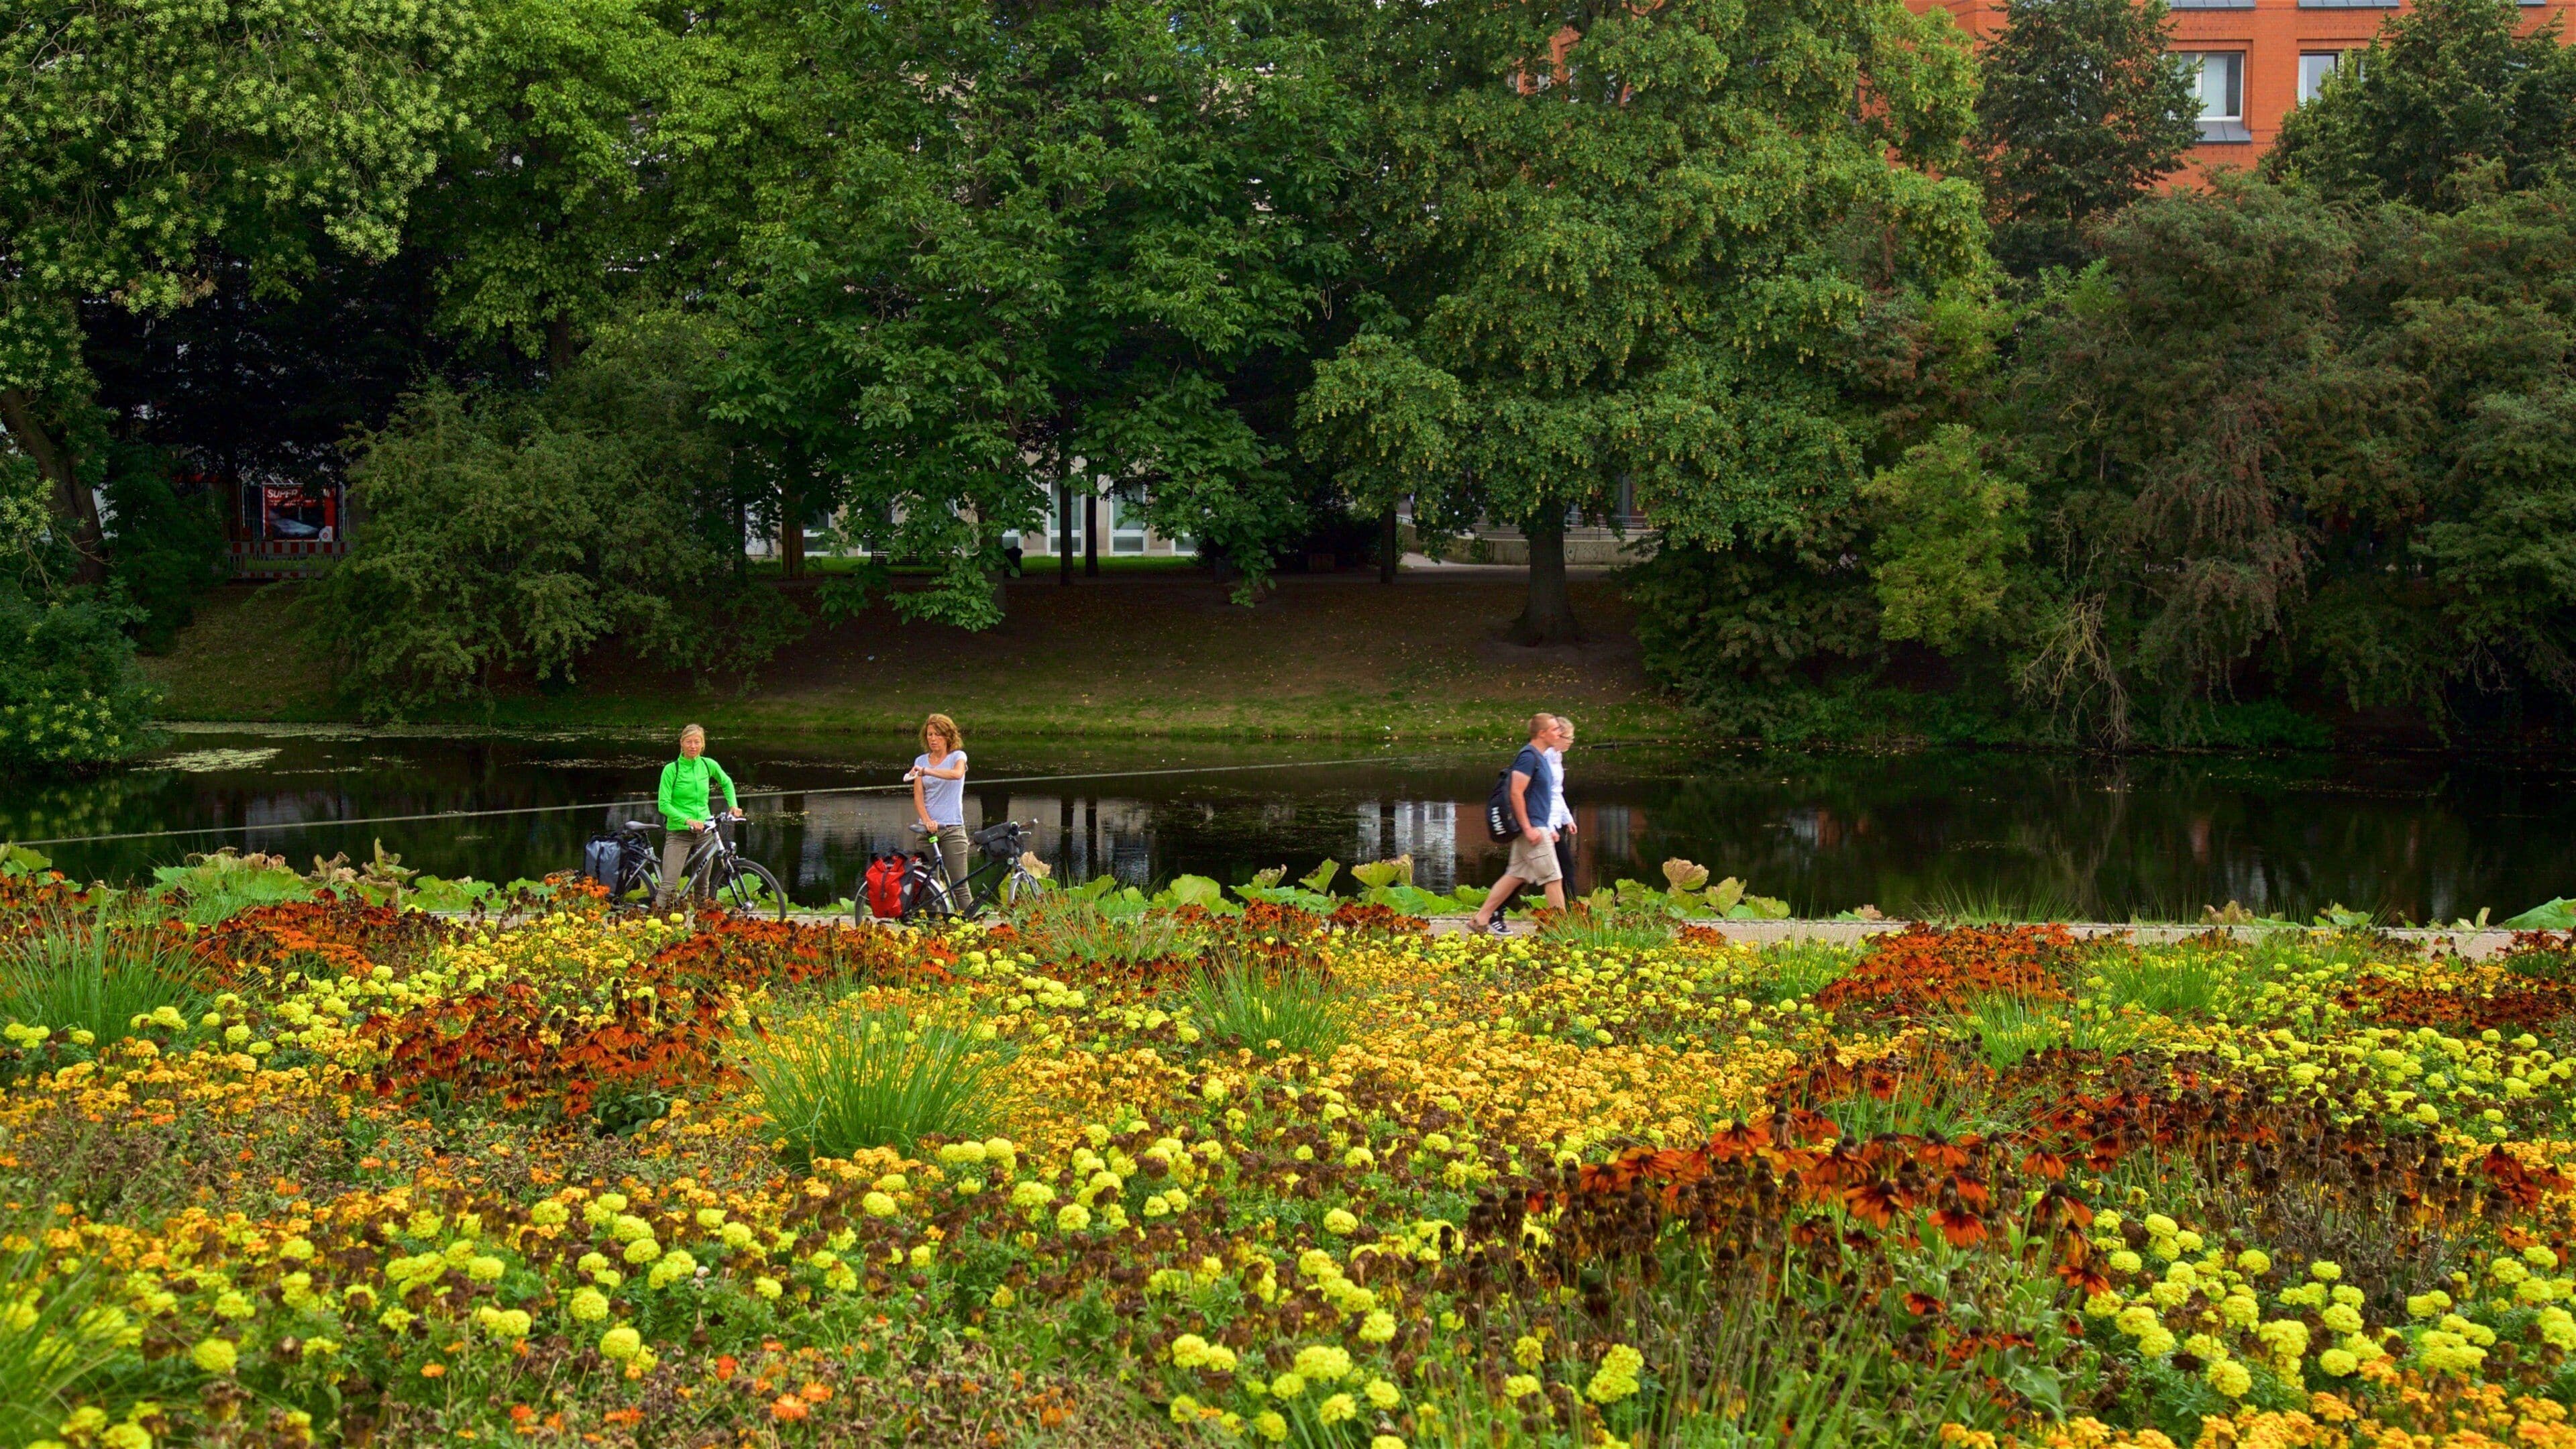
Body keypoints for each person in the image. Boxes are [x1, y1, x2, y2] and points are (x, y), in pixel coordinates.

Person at [1470, 713, 1571, 935]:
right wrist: (1528, 828)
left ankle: (1481, 918)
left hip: (1539, 826)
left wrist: (1550, 827)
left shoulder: (1542, 757)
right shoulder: (1528, 756)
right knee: (1554, 878)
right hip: (1532, 829)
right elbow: (1516, 793)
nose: (1560, 733)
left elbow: (1539, 797)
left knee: (1515, 875)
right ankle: (1564, 931)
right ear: (1542, 733)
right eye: (1555, 730)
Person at [653, 724, 741, 909]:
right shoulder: (672, 770)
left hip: (704, 832)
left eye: (697, 742)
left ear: (703, 745)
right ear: (681, 744)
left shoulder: (708, 765)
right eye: (689, 742)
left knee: (703, 885)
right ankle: (656, 925)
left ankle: (702, 928)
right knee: (669, 885)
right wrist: (686, 820)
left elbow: (726, 782)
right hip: (679, 833)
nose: (693, 746)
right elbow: (663, 804)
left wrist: (733, 804)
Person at [907, 714, 972, 894]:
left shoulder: (958, 756)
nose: (933, 739)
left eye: (938, 734)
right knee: (929, 887)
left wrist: (927, 771)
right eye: (930, 735)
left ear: (948, 737)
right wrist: (927, 820)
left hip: (953, 828)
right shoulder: (920, 761)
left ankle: (969, 920)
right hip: (927, 829)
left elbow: (957, 774)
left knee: (960, 885)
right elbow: (919, 796)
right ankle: (931, 920)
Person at [1545, 714, 1577, 896]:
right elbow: (1544, 794)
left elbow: (1557, 791)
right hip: (1546, 825)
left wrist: (1568, 819)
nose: (1571, 742)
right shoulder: (1545, 758)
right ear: (1557, 736)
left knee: (1561, 868)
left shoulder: (1557, 757)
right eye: (1568, 738)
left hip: (1555, 823)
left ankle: (1569, 909)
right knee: (1565, 867)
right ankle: (1573, 910)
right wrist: (1549, 827)